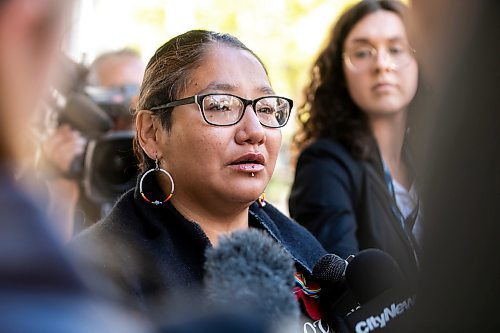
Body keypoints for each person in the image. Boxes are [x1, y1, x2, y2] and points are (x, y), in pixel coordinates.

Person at [71, 29, 328, 323]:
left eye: (267, 108)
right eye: (220, 106)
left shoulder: (302, 247)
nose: (255, 131)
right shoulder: (97, 272)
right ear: (151, 132)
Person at [289, 0, 420, 280]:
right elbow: (342, 289)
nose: (382, 64)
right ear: (340, 71)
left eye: (396, 49)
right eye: (362, 53)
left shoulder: (439, 153)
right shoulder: (324, 165)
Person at [39, 48, 145, 240]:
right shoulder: (59, 166)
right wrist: (61, 190)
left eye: (133, 114)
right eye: (111, 113)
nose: (122, 123)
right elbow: (42, 265)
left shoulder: (164, 169)